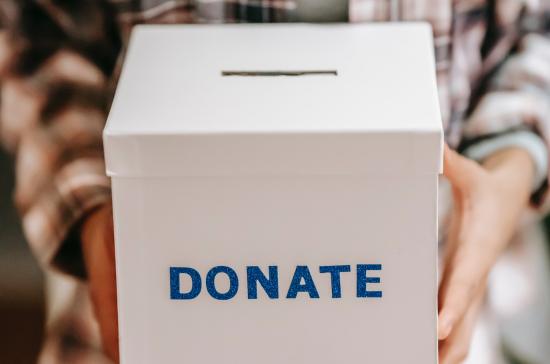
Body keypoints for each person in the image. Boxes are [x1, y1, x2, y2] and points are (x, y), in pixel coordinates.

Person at [0, 1, 549, 363]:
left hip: (427, 309)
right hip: (139, 315)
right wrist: (94, 212)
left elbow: (537, 34)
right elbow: (31, 35)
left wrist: (507, 172)